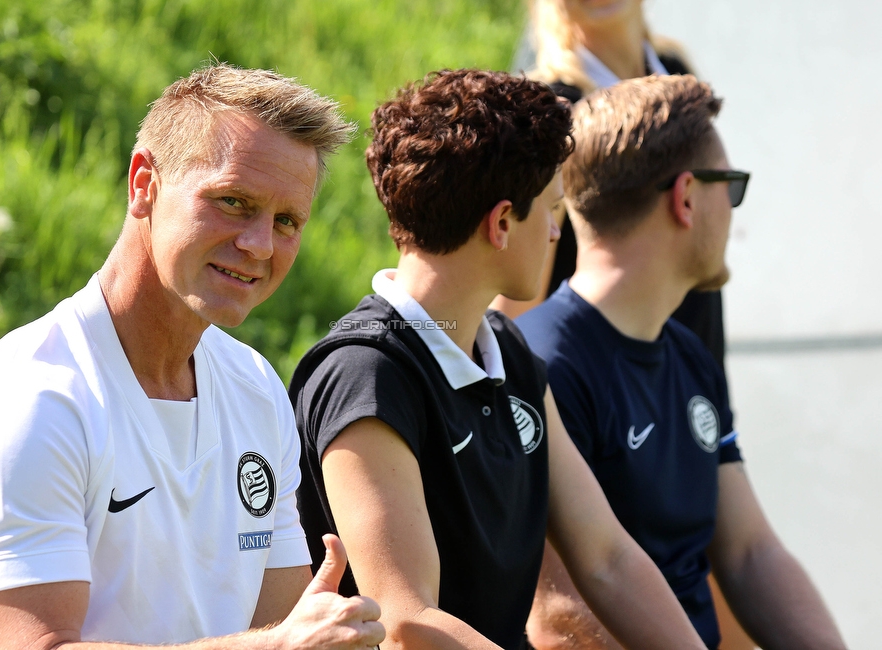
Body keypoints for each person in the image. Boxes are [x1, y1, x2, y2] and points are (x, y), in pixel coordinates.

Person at [0, 64, 386, 650]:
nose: (260, 245)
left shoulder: (255, 387)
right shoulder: (34, 398)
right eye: (234, 201)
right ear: (144, 183)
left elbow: (285, 623)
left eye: (286, 220)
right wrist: (275, 647)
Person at [290, 69, 708, 650]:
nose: (558, 231)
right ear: (504, 223)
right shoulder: (366, 373)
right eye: (552, 209)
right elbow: (406, 621)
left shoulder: (508, 349)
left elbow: (607, 558)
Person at [516, 74, 847, 650]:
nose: (733, 212)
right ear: (687, 197)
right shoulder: (541, 366)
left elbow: (750, 554)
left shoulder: (689, 356)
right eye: (732, 187)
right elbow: (560, 616)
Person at [499, 0, 725, 376]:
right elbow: (515, 303)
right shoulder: (547, 111)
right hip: (604, 386)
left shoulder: (676, 70)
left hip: (696, 352)